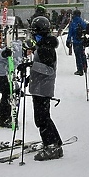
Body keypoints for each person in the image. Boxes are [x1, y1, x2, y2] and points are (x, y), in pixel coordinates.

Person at [25, 16, 65, 160]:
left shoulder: (45, 48)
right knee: (44, 116)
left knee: (41, 119)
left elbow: (49, 69)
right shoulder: (43, 45)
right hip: (40, 86)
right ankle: (55, 142)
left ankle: (51, 146)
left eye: (34, 31)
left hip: (42, 88)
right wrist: (30, 76)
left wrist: (31, 65)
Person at [0, 40, 24, 128]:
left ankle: (3, 118)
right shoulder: (18, 52)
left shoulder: (18, 50)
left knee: (8, 93)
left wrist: (17, 88)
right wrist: (5, 53)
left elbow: (11, 72)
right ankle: (2, 119)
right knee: (8, 93)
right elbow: (4, 55)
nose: (30, 53)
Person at [66, 9, 88, 76]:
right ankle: (85, 66)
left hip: (76, 41)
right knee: (82, 54)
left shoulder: (73, 23)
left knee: (78, 55)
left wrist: (68, 40)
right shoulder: (83, 22)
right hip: (82, 41)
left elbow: (70, 33)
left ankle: (79, 69)